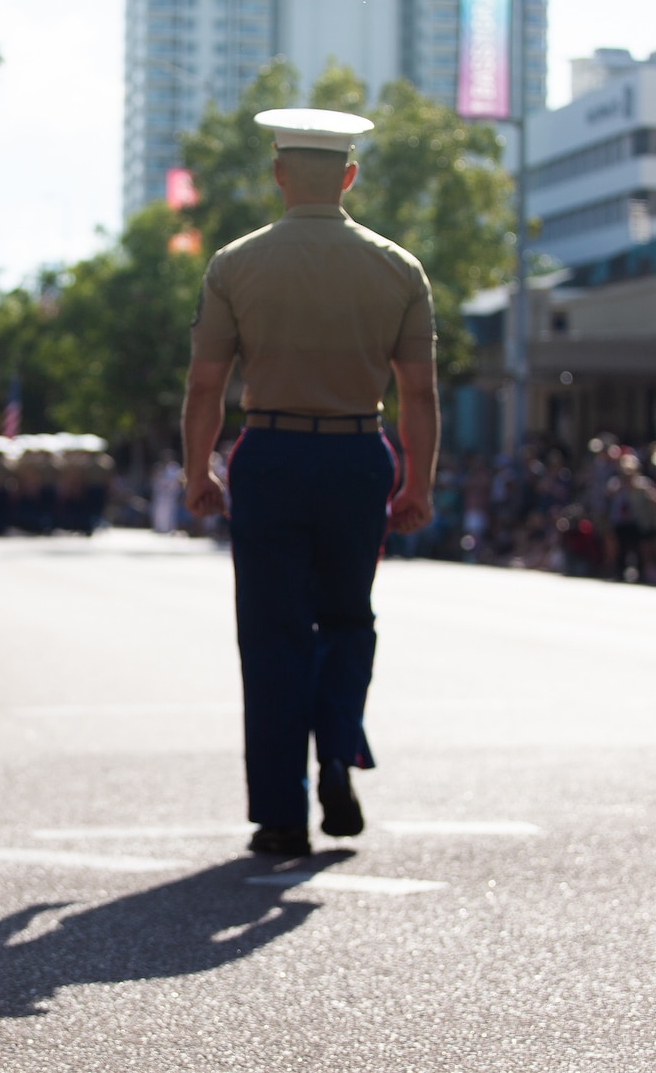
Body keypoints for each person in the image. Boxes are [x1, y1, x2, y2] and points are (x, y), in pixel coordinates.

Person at [181, 108, 439, 857]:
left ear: (279, 174)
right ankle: (337, 750)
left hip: (269, 454)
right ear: (350, 177)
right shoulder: (398, 267)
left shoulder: (234, 263)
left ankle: (281, 814)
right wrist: (419, 481)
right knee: (348, 619)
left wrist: (200, 469)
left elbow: (206, 387)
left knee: (271, 634)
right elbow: (419, 394)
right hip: (360, 453)